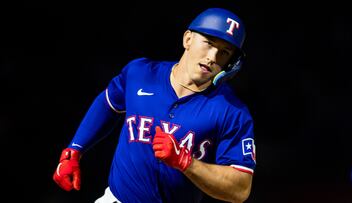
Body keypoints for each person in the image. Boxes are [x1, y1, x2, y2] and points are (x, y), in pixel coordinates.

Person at [53, 7, 256, 203]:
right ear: (188, 39)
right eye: (208, 43)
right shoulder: (140, 74)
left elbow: (241, 188)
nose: (212, 57)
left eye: (224, 52)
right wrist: (75, 150)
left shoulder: (232, 111)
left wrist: (187, 163)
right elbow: (108, 103)